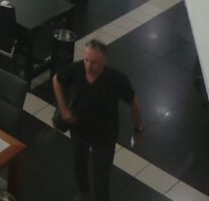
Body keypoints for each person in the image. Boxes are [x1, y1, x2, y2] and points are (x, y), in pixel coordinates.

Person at [53, 40, 143, 201]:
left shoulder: (116, 80)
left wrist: (138, 128)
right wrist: (63, 109)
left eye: (94, 62)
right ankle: (84, 192)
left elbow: (133, 102)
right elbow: (57, 80)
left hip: (104, 137)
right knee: (79, 165)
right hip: (79, 131)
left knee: (101, 178)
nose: (88, 66)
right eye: (86, 60)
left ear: (104, 61)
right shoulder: (77, 69)